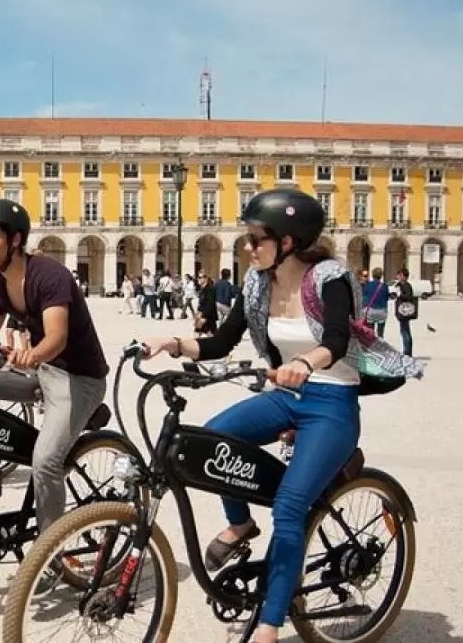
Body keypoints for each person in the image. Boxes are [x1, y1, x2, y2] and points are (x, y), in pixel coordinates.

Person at [140, 189, 422, 643]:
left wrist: (306, 363)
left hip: (331, 401)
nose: (248, 248)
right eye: (248, 239)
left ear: (289, 241)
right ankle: (240, 524)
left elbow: (334, 339)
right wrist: (171, 344)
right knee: (210, 441)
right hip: (286, 396)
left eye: (257, 239)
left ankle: (270, 624)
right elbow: (219, 343)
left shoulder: (328, 279)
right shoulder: (256, 283)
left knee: (291, 508)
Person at [0, 199, 109, 538]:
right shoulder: (0, 284)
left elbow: (57, 338)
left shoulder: (49, 275)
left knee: (45, 462)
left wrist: (32, 355)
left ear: (16, 240)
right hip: (42, 373)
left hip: (79, 379)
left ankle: (50, 549)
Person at [392, 268, 417, 356]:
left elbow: (408, 296)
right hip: (404, 311)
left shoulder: (406, 285)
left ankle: (407, 352)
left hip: (405, 311)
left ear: (403, 276)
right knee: (405, 331)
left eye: (399, 275)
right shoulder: (403, 285)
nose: (397, 277)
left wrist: (400, 295)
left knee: (405, 332)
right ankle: (407, 351)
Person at [360, 267, 390, 338]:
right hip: (381, 311)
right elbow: (386, 298)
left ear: (372, 275)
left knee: (370, 333)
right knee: (380, 334)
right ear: (381, 275)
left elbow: (364, 298)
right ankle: (380, 346)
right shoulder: (385, 286)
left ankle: (372, 347)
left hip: (371, 310)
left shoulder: (367, 285)